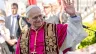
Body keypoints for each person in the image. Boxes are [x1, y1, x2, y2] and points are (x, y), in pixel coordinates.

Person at [16, 0, 87, 54]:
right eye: (35, 17)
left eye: (40, 16)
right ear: (28, 20)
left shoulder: (54, 29)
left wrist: (73, 15)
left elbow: (72, 31)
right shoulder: (23, 36)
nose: (39, 19)